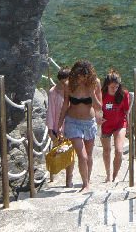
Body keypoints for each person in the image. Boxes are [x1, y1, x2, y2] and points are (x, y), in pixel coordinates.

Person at [57, 60, 103, 191]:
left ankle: (87, 182)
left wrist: (91, 94)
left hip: (89, 122)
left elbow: (99, 107)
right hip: (73, 122)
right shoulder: (68, 85)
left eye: (84, 78)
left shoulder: (96, 83)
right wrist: (59, 124)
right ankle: (85, 185)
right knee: (81, 155)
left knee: (88, 155)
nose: (81, 81)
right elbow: (66, 105)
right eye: (78, 77)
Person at [45, 67, 74, 187]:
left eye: (66, 82)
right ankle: (55, 175)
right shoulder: (53, 92)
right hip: (58, 126)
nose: (64, 84)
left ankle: (69, 180)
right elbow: (50, 111)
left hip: (72, 124)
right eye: (62, 82)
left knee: (71, 152)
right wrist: (51, 130)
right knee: (61, 152)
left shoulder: (74, 91)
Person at [100, 69, 131, 182]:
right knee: (106, 150)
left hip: (119, 123)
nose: (114, 89)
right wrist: (98, 117)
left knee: (119, 150)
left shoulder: (124, 94)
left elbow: (127, 111)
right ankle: (108, 174)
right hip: (105, 124)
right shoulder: (101, 94)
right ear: (107, 85)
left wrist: (128, 126)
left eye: (117, 87)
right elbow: (95, 107)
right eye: (112, 87)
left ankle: (115, 175)